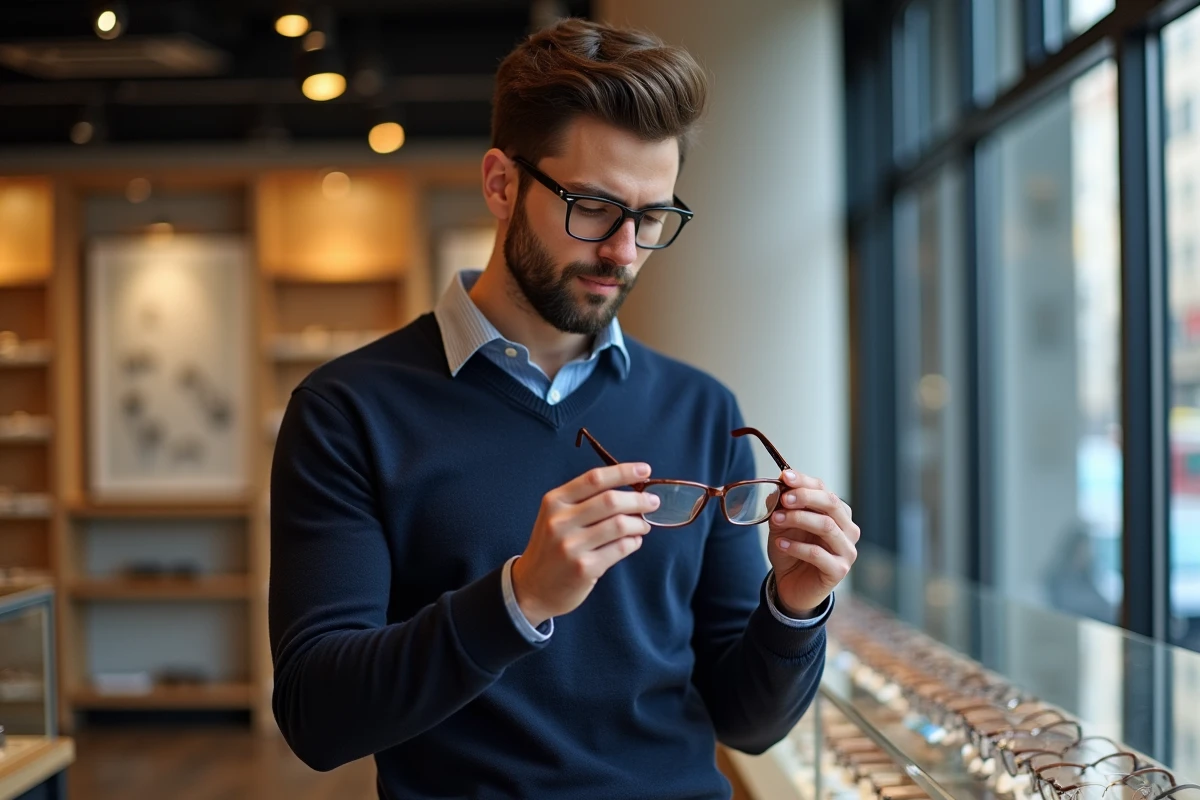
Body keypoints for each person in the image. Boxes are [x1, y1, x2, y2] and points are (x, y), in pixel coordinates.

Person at [269, 17, 859, 800]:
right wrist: (519, 599)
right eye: (593, 206)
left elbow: (744, 722)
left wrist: (794, 605)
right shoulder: (348, 412)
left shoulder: (701, 407)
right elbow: (318, 717)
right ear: (501, 184)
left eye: (651, 219)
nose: (623, 250)